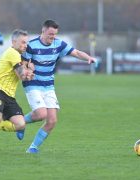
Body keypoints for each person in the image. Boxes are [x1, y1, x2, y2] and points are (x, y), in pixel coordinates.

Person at [19, 20, 96, 153]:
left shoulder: (58, 44)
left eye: (54, 34)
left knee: (52, 121)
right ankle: (20, 124)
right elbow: (23, 64)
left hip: (48, 86)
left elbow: (76, 53)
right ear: (43, 31)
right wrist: (27, 69)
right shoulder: (32, 45)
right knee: (41, 113)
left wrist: (88, 57)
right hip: (33, 83)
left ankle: (32, 148)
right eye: (50, 34)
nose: (52, 37)